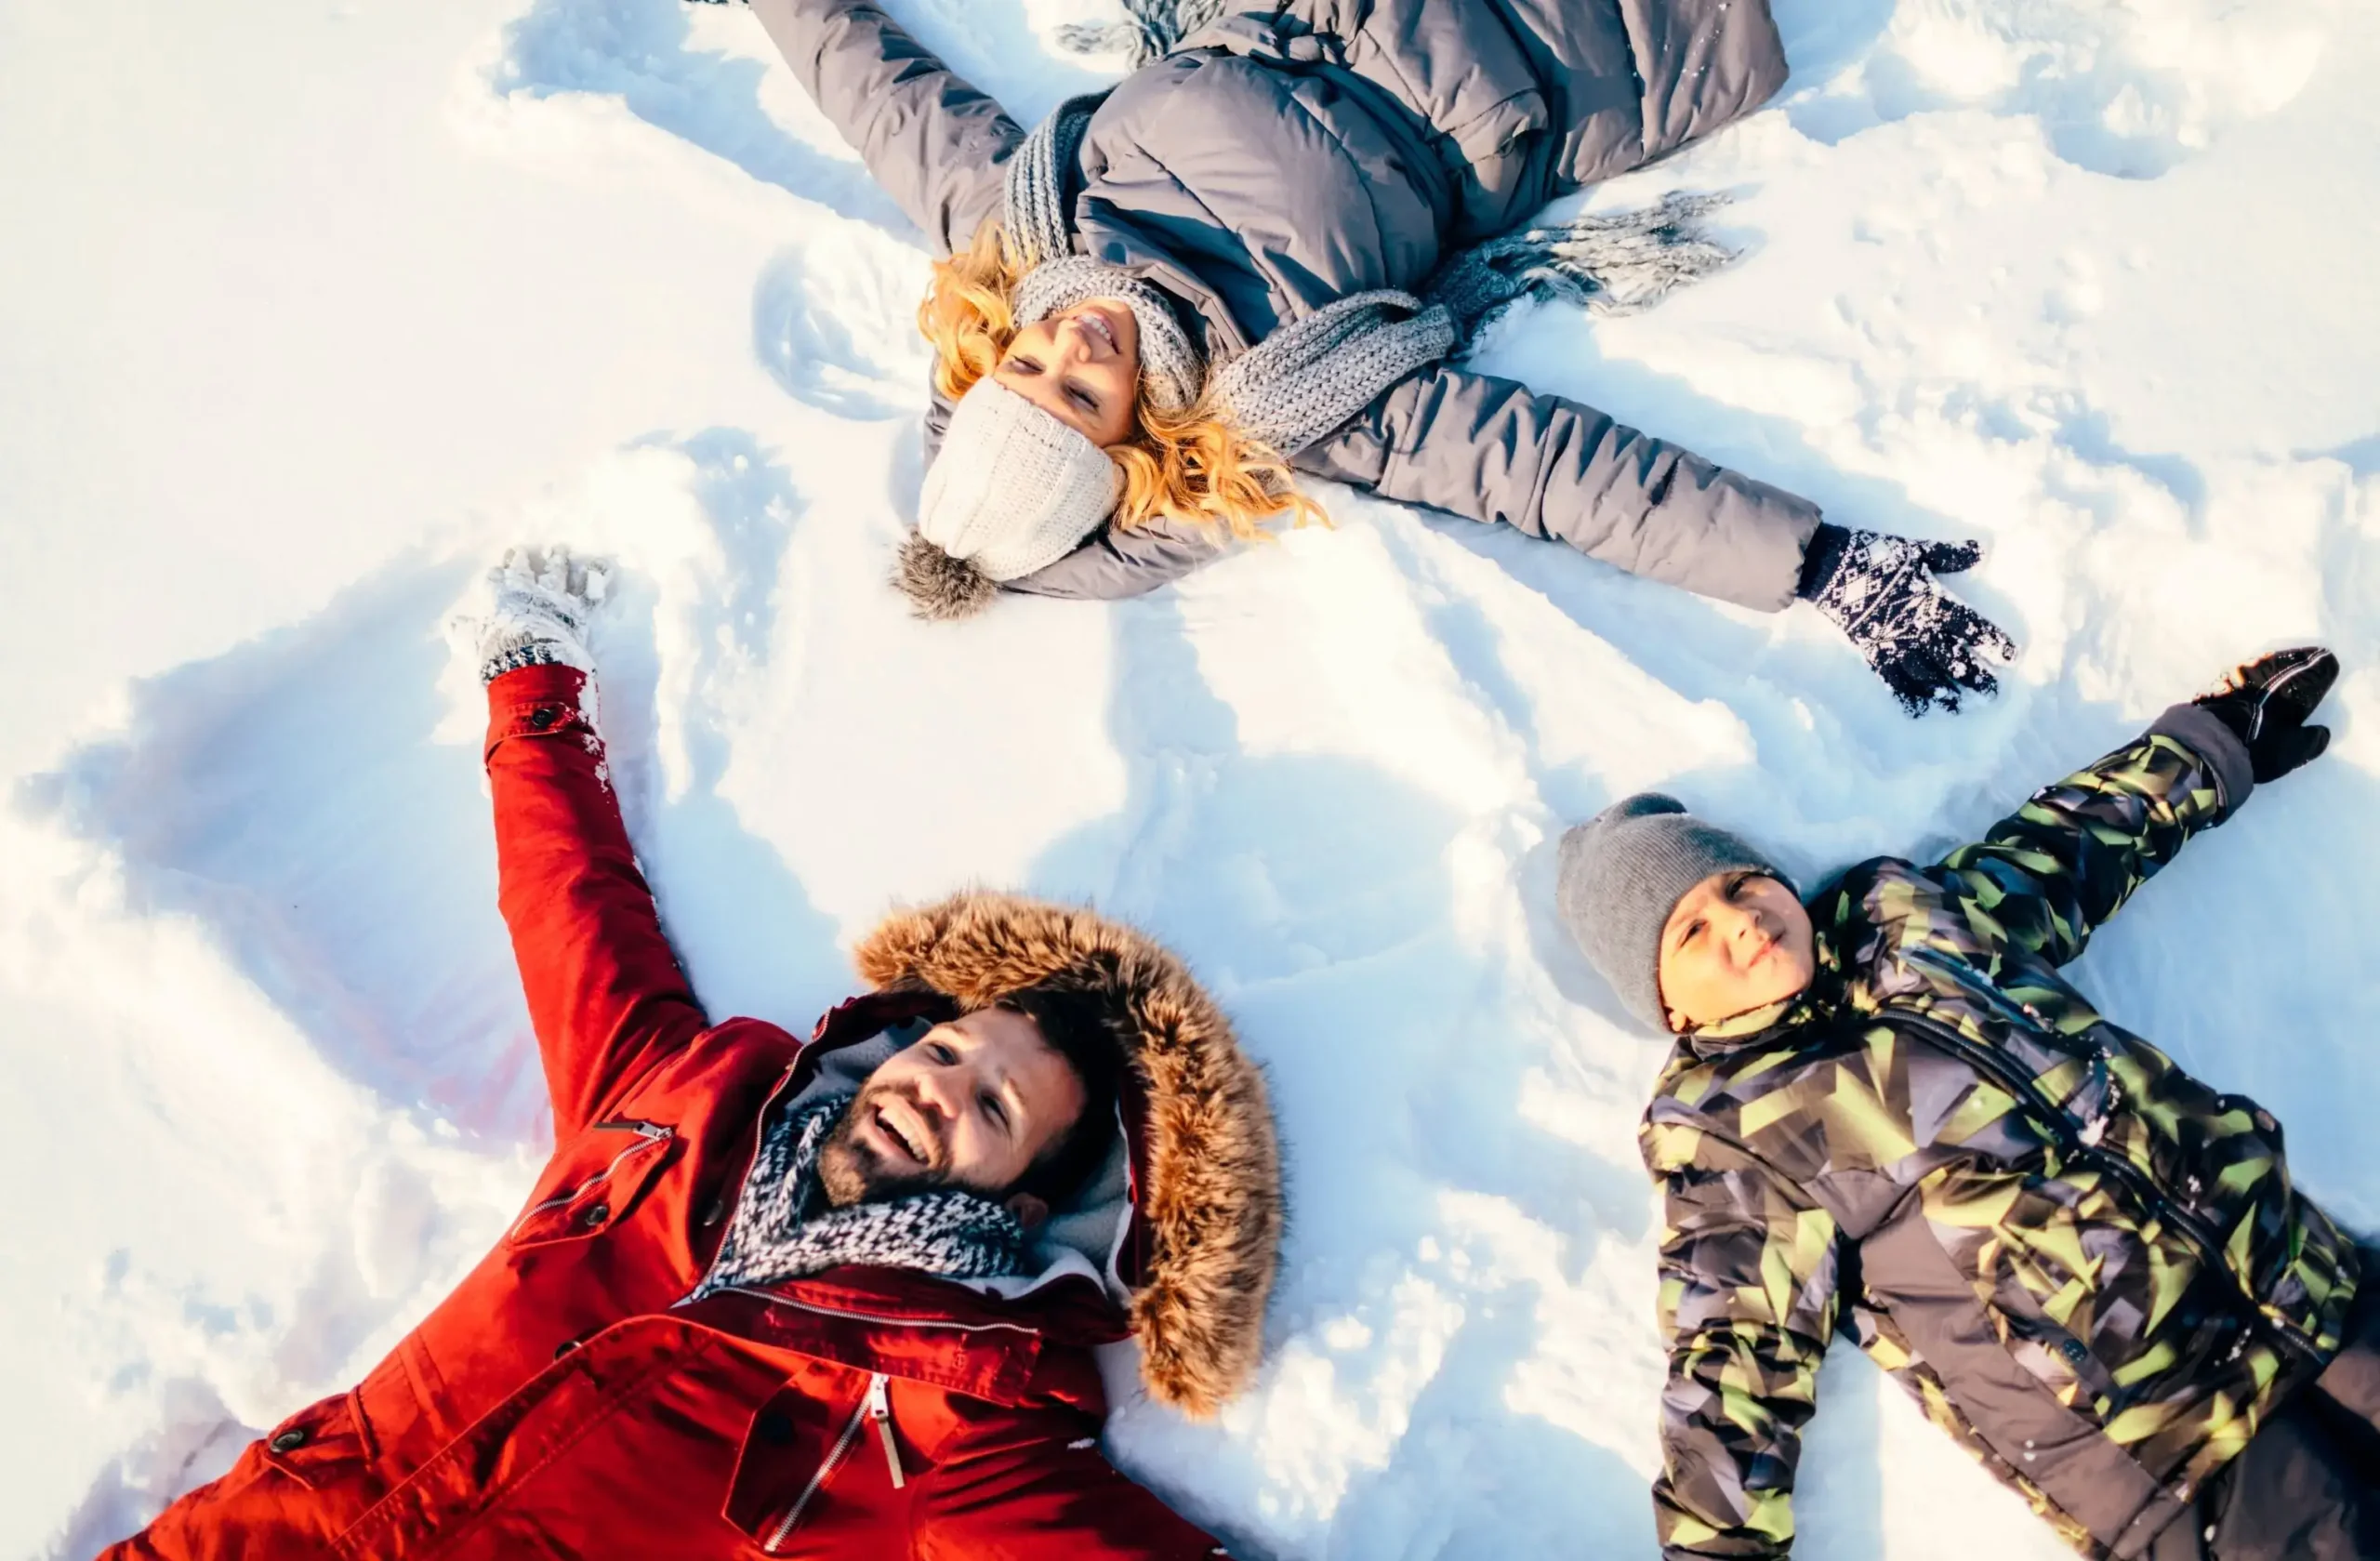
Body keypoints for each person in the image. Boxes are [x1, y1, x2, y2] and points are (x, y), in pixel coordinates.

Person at [103, 548, 1283, 1559]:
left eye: (993, 1104)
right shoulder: (685, 1100)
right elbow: (571, 907)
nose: (938, 1088)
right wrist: (533, 684)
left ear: (1027, 1193)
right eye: (950, 1049)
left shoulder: (958, 1405)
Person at [750, 0, 2019, 715]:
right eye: (1083, 396)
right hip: (1529, 55)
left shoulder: (1020, 229)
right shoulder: (1297, 393)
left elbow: (881, 96)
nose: (1070, 346)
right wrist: (1813, 562)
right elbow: (1557, 474)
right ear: (1135, 441)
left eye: (1028, 371)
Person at [1555, 647, 2378, 1559]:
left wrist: (2216, 743)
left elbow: (2068, 849)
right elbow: (1732, 1370)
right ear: (1667, 1004)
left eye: (1738, 885)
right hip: (2181, 1446)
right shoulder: (1731, 1131)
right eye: (1694, 931)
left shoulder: (1909, 922)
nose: (1741, 922)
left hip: (2308, 1274)